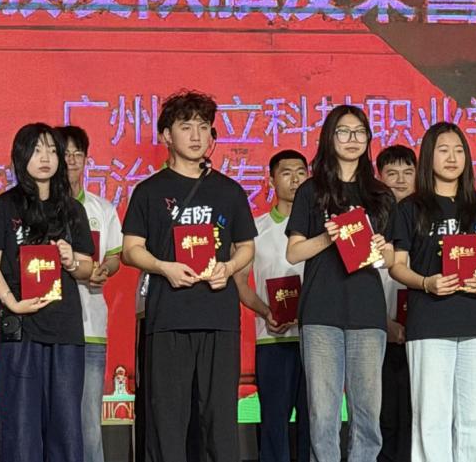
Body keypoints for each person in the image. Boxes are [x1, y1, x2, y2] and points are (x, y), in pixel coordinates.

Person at [121, 90, 256, 462]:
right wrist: (164, 267)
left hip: (219, 317)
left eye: (204, 126)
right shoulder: (149, 191)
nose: (197, 135)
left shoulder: (229, 191)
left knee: (219, 419)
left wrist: (228, 268)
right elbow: (131, 249)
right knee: (167, 419)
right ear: (166, 135)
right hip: (168, 317)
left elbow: (246, 246)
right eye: (186, 126)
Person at [388, 122, 476, 462]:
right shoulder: (410, 208)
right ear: (429, 157)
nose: (452, 158)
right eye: (443, 150)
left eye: (458, 151)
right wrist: (427, 282)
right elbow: (397, 266)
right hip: (429, 324)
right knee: (432, 418)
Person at [0, 124, 96, 462]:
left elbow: (87, 267)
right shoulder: (2, 207)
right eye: (36, 150)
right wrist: (12, 302)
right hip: (19, 329)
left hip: (64, 328)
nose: (45, 157)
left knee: (66, 426)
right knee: (20, 426)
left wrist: (71, 260)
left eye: (51, 150)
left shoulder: (72, 209)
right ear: (21, 156)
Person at [286, 105, 394, 462]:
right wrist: (327, 238)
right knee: (323, 413)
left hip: (367, 313)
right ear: (329, 138)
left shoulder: (380, 194)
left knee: (368, 413)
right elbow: (294, 252)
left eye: (360, 132)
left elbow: (393, 260)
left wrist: (383, 248)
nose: (352, 139)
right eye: (344, 131)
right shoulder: (311, 190)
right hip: (321, 313)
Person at [233, 149, 311, 462]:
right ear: (271, 180)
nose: (295, 180)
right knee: (273, 424)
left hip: (315, 338)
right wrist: (266, 312)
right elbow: (240, 282)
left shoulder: (321, 228)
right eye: (286, 173)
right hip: (272, 340)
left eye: (301, 173)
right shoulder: (256, 229)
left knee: (314, 423)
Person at [57, 125, 124, 462]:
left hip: (90, 328)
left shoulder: (102, 209)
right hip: (51, 329)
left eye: (78, 154)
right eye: (65, 154)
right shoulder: (42, 210)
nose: (71, 160)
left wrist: (103, 270)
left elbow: (114, 256)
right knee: (54, 422)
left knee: (88, 426)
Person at [375, 144, 416, 462]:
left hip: (423, 332)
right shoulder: (370, 222)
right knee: (384, 416)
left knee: (420, 416)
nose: (401, 180)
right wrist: (384, 322)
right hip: (379, 334)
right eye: (392, 173)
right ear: (379, 177)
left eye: (408, 172)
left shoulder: (428, 218)